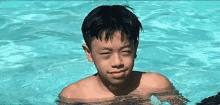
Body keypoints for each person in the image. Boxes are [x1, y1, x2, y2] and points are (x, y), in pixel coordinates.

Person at [58, 4, 190, 104]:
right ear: (89, 53)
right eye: (105, 54)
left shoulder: (155, 84)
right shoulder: (73, 96)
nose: (117, 63)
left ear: (135, 49)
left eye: (125, 52)